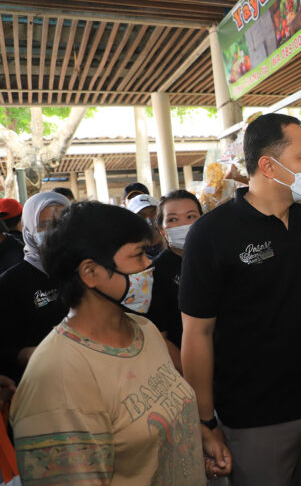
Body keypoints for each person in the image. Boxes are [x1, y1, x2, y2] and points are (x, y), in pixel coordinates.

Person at [180, 113, 301, 485]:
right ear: (268, 165)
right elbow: (196, 334)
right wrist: (205, 422)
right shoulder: (211, 234)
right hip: (258, 417)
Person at [9, 201, 206, 484]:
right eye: (137, 255)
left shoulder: (144, 330)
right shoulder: (57, 377)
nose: (148, 264)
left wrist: (199, 439)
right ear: (90, 273)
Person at [0, 192, 70, 383]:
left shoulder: (84, 272)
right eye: (45, 226)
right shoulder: (10, 283)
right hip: (41, 384)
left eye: (63, 223)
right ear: (29, 229)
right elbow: (7, 349)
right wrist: (47, 355)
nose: (56, 231)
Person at [146, 189, 204, 373]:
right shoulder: (156, 273)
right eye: (172, 219)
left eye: (191, 216)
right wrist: (193, 378)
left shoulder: (219, 259)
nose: (183, 225)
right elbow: (159, 338)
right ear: (162, 229)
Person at [126, 193, 166, 259]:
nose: (149, 219)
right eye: (142, 215)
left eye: (154, 213)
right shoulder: (131, 252)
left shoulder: (174, 246)